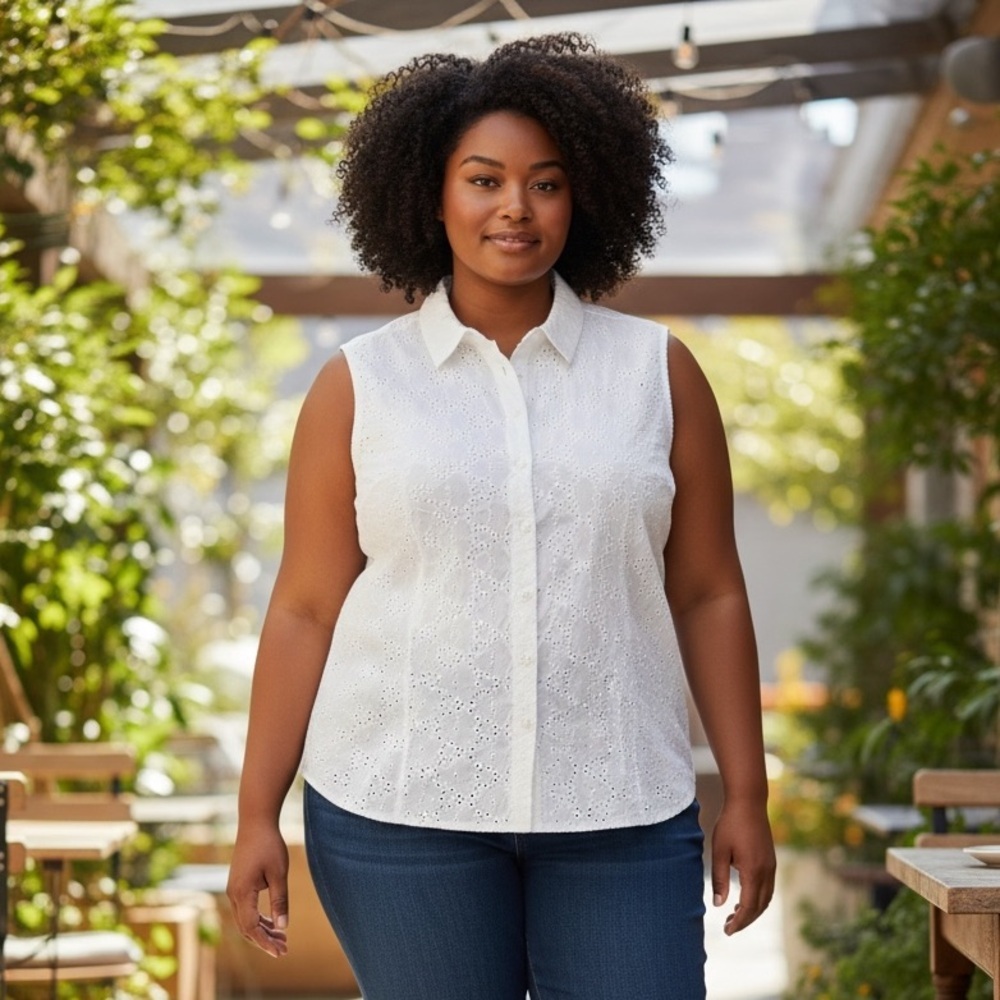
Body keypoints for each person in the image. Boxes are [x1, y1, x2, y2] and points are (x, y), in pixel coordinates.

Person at [227, 31, 775, 1000]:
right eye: (483, 179)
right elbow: (306, 605)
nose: (514, 208)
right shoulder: (358, 385)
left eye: (546, 183)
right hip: (397, 808)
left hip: (621, 807)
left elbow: (706, 590)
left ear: (586, 196)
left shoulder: (659, 373)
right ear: (430, 192)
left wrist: (747, 790)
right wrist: (254, 815)